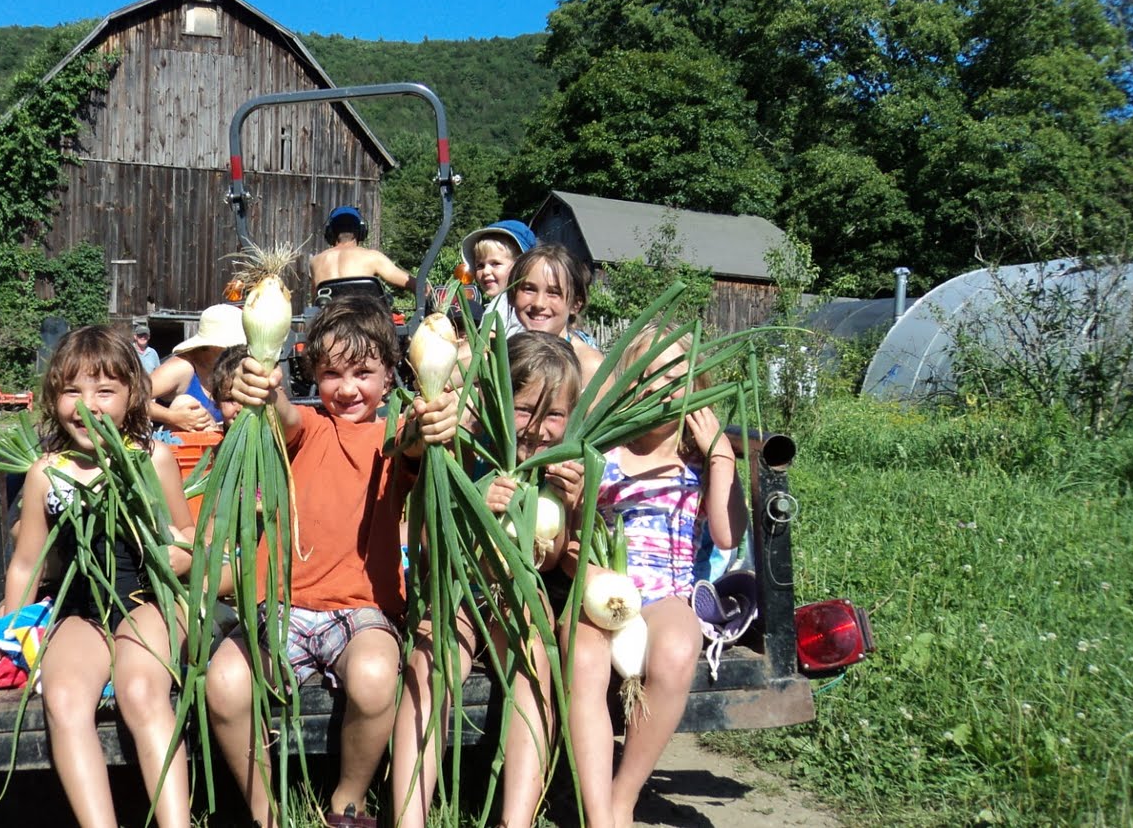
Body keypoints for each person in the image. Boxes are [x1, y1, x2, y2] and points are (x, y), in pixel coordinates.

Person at [205, 296, 458, 828]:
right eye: (331, 374)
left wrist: (430, 420)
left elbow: (415, 443)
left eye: (363, 373)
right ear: (313, 376)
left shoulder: (393, 436)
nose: (346, 388)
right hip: (282, 606)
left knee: (374, 676)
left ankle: (348, 801)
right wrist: (263, 385)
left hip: (363, 611)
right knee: (224, 681)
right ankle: (266, 813)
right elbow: (282, 415)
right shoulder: (308, 427)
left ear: (390, 376)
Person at [0, 326, 198, 828]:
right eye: (72, 390)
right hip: (82, 608)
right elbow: (26, 562)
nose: (87, 405)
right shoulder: (47, 472)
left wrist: (181, 553)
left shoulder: (152, 459)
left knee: (140, 688)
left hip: (148, 602)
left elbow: (187, 534)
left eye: (105, 390)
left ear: (133, 395)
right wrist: (12, 628)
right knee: (64, 698)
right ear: (54, 398)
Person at [559, 323, 749, 828]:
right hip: (601, 591)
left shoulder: (697, 460)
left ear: (693, 390)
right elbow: (573, 534)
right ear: (626, 382)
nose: (658, 388)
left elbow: (727, 535)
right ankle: (598, 812)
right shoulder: (603, 452)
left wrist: (722, 457)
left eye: (672, 378)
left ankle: (622, 796)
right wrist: (584, 563)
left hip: (668, 593)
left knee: (678, 649)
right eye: (645, 375)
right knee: (582, 659)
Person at [391, 331, 584, 828]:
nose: (538, 427)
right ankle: (409, 818)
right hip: (456, 588)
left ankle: (514, 821)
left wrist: (570, 507)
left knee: (536, 662)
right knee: (430, 663)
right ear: (496, 399)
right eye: (524, 409)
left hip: (516, 593)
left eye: (555, 414)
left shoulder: (561, 464)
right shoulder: (463, 445)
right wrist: (477, 502)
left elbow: (548, 560)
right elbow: (428, 544)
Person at [506, 244, 607, 387]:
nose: (539, 303)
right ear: (512, 296)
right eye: (529, 289)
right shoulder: (506, 357)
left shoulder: (589, 367)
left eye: (553, 292)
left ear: (575, 304)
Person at [149, 303, 246, 432]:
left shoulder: (232, 369)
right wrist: (173, 417)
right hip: (178, 442)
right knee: (186, 402)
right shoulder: (183, 367)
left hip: (222, 440)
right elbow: (130, 399)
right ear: (210, 345)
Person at [308, 205, 416, 301]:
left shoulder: (316, 261)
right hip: (365, 317)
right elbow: (413, 284)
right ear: (361, 232)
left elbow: (315, 301)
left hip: (330, 317)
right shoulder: (372, 257)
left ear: (330, 233)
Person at [460, 219, 536, 330]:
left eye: (495, 263)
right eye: (480, 265)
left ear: (521, 265)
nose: (486, 271)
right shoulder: (520, 302)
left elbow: (488, 339)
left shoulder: (504, 302)